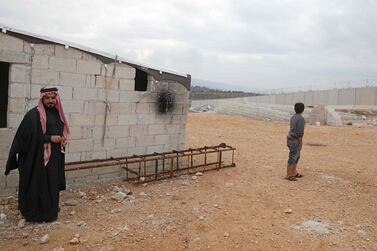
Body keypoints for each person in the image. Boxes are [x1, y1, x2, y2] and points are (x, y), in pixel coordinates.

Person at [5, 87, 70, 222]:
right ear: (42, 98)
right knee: (37, 184)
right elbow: (27, 137)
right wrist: (49, 139)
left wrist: (62, 139)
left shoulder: (57, 113)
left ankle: (50, 211)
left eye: (53, 98)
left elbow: (59, 130)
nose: (51, 101)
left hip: (53, 158)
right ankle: (34, 214)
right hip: (36, 160)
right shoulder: (33, 115)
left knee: (51, 183)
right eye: (47, 98)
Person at [286, 102, 305, 181]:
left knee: (296, 156)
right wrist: (301, 143)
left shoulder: (293, 117)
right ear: (303, 110)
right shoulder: (301, 119)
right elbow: (300, 133)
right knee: (293, 157)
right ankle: (289, 174)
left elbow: (292, 129)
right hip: (295, 140)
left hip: (290, 138)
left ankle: (294, 172)